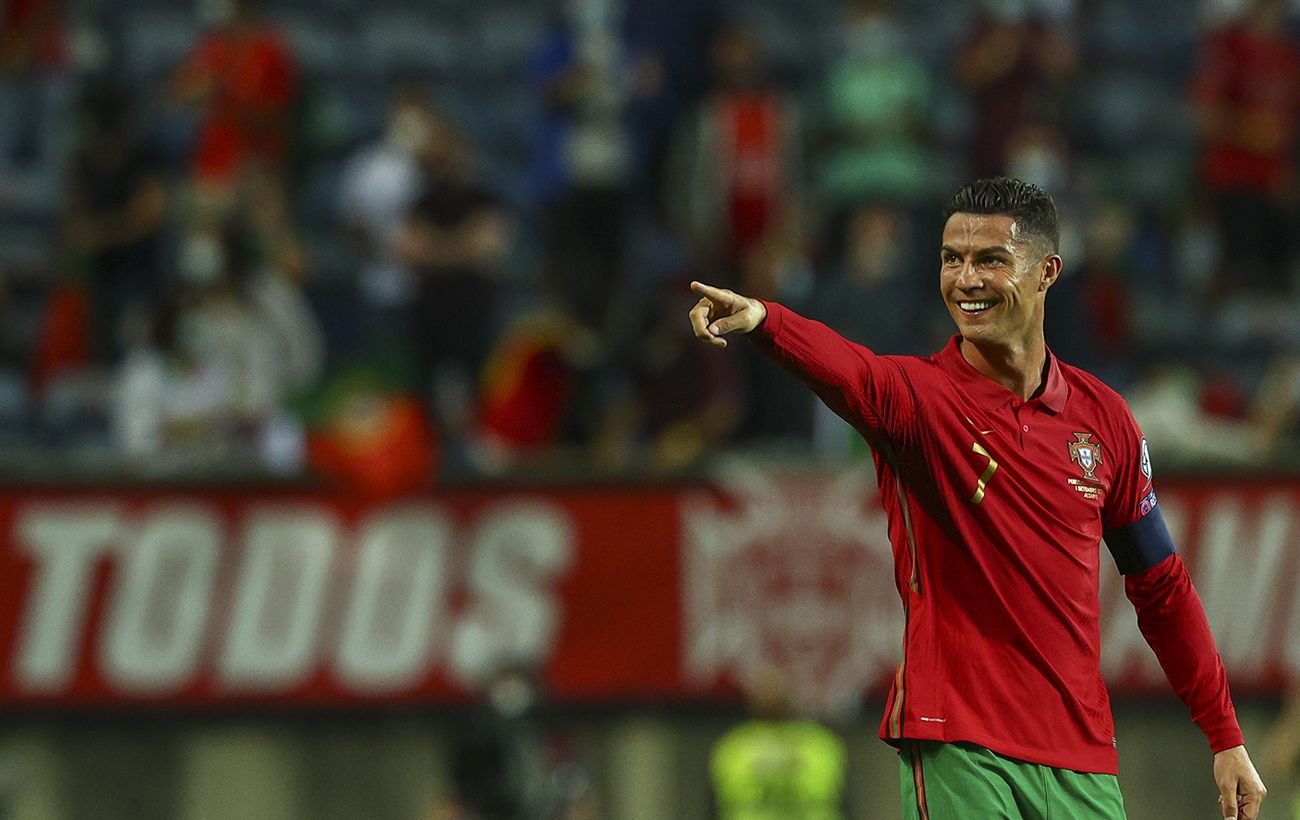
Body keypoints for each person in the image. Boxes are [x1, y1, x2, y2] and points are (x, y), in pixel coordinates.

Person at [688, 177, 1267, 819]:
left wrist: (1225, 735)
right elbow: (849, 370)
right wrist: (765, 319)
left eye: (989, 260)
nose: (965, 280)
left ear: (1047, 272)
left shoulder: (1106, 421)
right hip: (960, 741)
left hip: (1081, 754)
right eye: (951, 259)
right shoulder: (918, 400)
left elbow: (1162, 587)